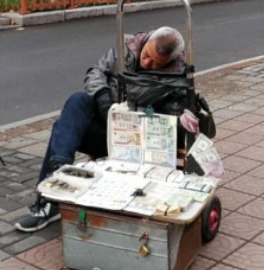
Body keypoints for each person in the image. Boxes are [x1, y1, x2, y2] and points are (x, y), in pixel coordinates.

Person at [14, 27, 186, 232]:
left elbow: (173, 119)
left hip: (139, 144)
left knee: (60, 129)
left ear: (167, 63)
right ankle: (57, 174)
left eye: (156, 63)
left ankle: (52, 195)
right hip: (105, 127)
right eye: (147, 55)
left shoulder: (176, 75)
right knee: (76, 104)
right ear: (146, 41)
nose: (147, 63)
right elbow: (95, 72)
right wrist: (103, 97)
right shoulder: (126, 48)